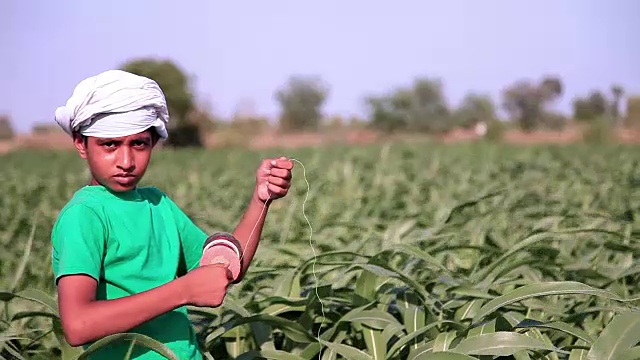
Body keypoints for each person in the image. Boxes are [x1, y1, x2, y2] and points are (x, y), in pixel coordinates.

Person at [50, 69, 294, 360]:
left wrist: (261, 199)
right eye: (110, 145)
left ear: (153, 142)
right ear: (81, 143)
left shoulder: (158, 204)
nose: (126, 161)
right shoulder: (85, 215)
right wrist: (183, 291)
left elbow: (225, 266)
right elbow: (78, 325)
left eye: (138, 143)